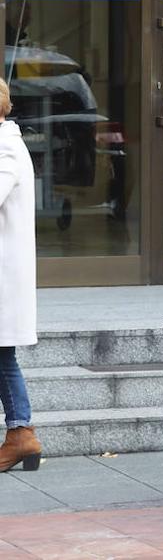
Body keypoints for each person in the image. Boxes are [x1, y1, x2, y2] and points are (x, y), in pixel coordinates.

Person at [0, 78, 41, 471]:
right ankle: (21, 433)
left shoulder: (7, 148)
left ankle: (21, 433)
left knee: (2, 355)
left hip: (3, 274)